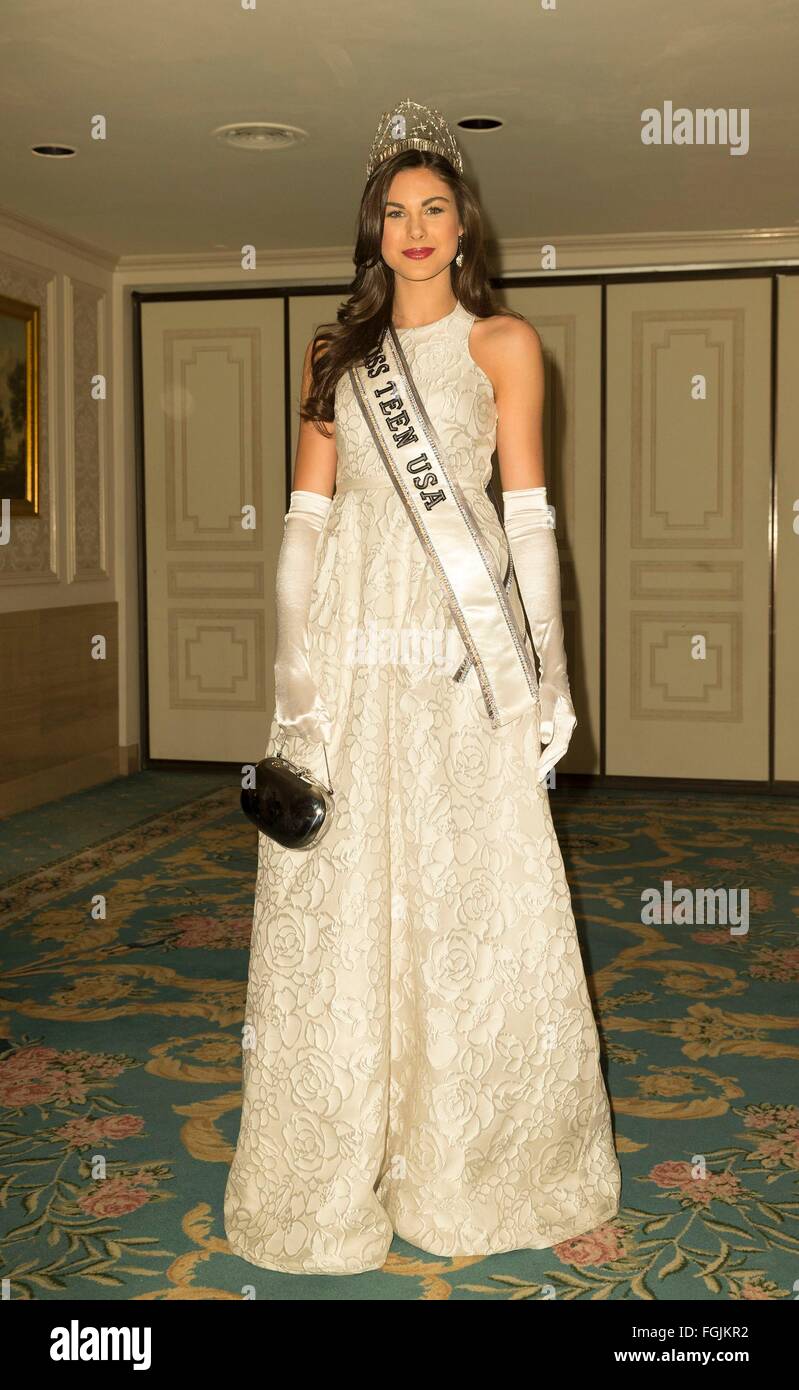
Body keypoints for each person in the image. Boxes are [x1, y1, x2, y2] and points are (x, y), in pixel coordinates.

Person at [224, 99, 621, 1275]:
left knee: (468, 876)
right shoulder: (330, 352)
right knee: (343, 887)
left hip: (459, 646)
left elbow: (531, 521)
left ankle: (476, 1161)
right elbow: (305, 519)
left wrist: (546, 675)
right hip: (352, 643)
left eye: (432, 208)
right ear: (373, 230)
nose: (412, 228)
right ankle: (333, 1166)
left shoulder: (504, 347)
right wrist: (296, 678)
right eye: (392, 212)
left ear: (463, 227)